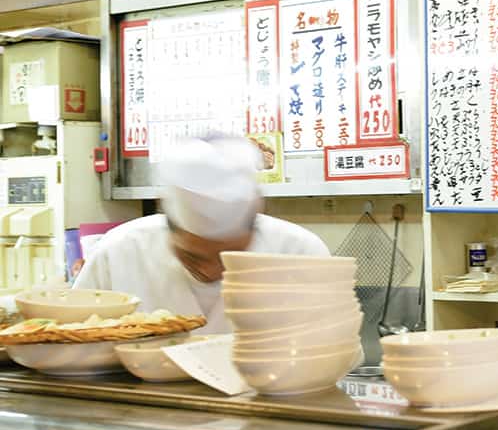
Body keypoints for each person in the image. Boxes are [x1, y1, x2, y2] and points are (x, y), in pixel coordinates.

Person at [73, 136, 328, 332]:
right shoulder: (118, 252)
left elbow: (334, 355)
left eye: (229, 259)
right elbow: (69, 339)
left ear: (254, 230)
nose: (209, 271)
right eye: (193, 257)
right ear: (168, 229)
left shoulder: (301, 254)